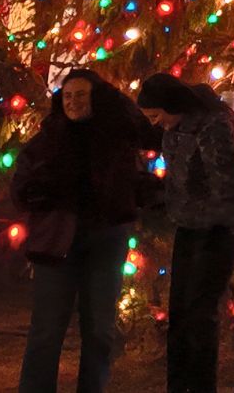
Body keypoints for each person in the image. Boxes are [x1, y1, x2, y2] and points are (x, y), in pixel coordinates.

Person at [14, 68, 159, 393]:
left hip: (107, 239)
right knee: (47, 329)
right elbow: (21, 185)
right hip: (57, 241)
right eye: (67, 96)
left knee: (99, 329)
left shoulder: (115, 137)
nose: (74, 102)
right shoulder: (47, 140)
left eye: (81, 94)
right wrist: (37, 194)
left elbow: (146, 136)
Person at [137, 73, 234, 393]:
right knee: (179, 311)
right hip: (190, 224)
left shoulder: (214, 125)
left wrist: (226, 223)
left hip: (220, 229)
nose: (156, 124)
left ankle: (201, 386)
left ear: (172, 105)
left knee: (201, 314)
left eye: (156, 116)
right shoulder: (175, 128)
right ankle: (177, 385)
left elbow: (229, 183)